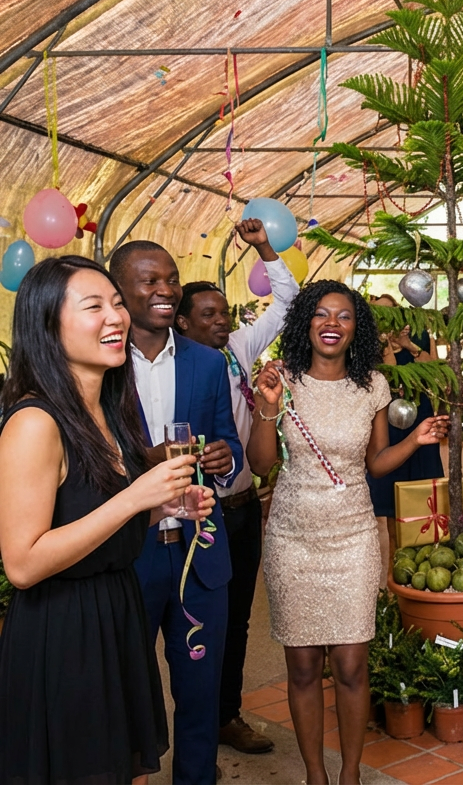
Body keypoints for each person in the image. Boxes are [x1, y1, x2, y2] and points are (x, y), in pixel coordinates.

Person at [0, 255, 212, 784]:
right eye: (94, 306)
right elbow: (23, 564)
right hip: (64, 633)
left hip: (115, 615)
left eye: (116, 303)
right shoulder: (34, 421)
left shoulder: (105, 410)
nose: (115, 317)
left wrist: (157, 508)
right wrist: (133, 499)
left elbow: (86, 517)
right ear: (48, 325)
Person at [246, 280, 448, 785]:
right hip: (293, 537)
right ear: (305, 323)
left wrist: (417, 439)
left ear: (358, 327)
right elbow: (261, 464)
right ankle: (316, 774)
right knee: (303, 668)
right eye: (321, 314)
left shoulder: (372, 386)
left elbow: (377, 464)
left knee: (354, 666)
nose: (331, 324)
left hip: (353, 535)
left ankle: (351, 773)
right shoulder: (281, 380)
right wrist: (267, 407)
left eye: (343, 316)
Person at [110, 240, 243, 785]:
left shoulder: (208, 364)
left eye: (171, 278)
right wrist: (141, 466)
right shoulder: (103, 362)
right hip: (128, 557)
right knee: (122, 690)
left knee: (199, 690)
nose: (165, 289)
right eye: (149, 280)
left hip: (198, 554)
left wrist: (222, 458)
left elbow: (231, 448)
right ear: (119, 292)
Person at [174, 217, 300, 755]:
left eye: (224, 313)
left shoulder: (238, 350)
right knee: (193, 623)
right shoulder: (170, 368)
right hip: (194, 512)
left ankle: (226, 716)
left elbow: (287, 301)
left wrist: (266, 249)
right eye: (209, 315)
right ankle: (192, 731)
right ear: (181, 323)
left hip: (244, 506)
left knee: (238, 617)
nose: (223, 322)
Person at [366, 294, 443, 589]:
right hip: (388, 430)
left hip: (420, 426)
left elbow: (437, 374)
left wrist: (408, 345)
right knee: (389, 508)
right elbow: (386, 378)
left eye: (390, 313)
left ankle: (425, 571)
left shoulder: (420, 335)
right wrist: (386, 344)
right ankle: (394, 575)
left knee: (423, 503)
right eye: (379, 315)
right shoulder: (369, 344)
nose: (385, 320)